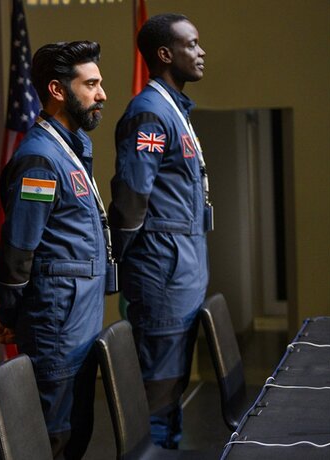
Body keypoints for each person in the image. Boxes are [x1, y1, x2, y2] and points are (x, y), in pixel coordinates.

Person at [0, 41, 110, 459]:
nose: (102, 94)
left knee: (76, 430)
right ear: (58, 90)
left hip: (77, 318)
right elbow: (19, 248)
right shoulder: (41, 159)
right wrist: (11, 314)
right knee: (54, 437)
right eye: (90, 84)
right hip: (57, 324)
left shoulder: (69, 148)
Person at [107, 13, 210, 449]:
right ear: (165, 54)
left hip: (180, 267)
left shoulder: (173, 109)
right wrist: (129, 262)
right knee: (158, 397)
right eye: (192, 44)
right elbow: (132, 197)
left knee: (172, 392)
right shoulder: (150, 112)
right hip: (162, 272)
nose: (201, 52)